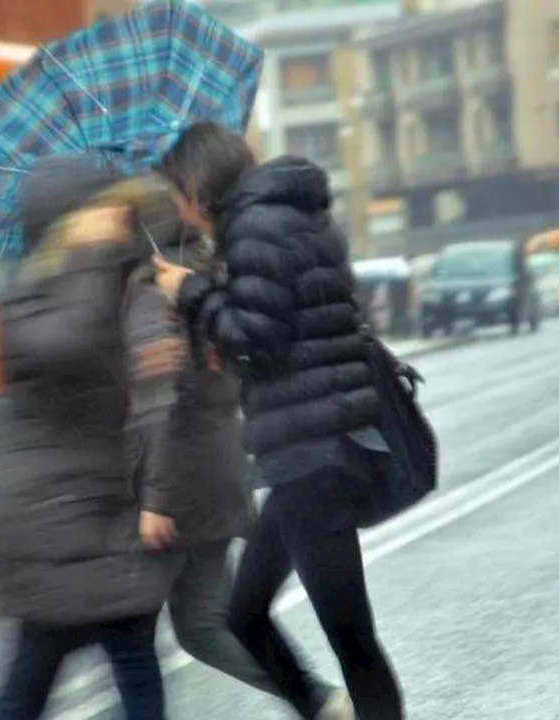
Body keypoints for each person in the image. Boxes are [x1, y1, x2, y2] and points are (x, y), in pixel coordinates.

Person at [152, 122, 406, 720]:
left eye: (174, 191)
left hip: (312, 451)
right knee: (248, 616)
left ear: (196, 183)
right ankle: (322, 710)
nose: (174, 206)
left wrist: (190, 293)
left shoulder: (255, 228)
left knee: (346, 636)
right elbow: (287, 327)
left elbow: (260, 342)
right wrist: (220, 300)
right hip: (320, 442)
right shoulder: (285, 216)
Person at [125, 203, 352, 719]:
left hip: (179, 484)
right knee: (203, 623)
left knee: (147, 630)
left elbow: (163, 402)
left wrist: (155, 496)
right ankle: (318, 699)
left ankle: (317, 698)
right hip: (215, 470)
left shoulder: (156, 292)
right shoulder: (208, 275)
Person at [0, 156, 185, 720]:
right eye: (105, 212)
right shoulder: (27, 298)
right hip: (60, 515)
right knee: (34, 680)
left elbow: (155, 394)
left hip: (105, 509)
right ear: (70, 223)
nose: (119, 222)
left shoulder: (127, 284)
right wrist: (95, 256)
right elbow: (66, 347)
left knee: (124, 662)